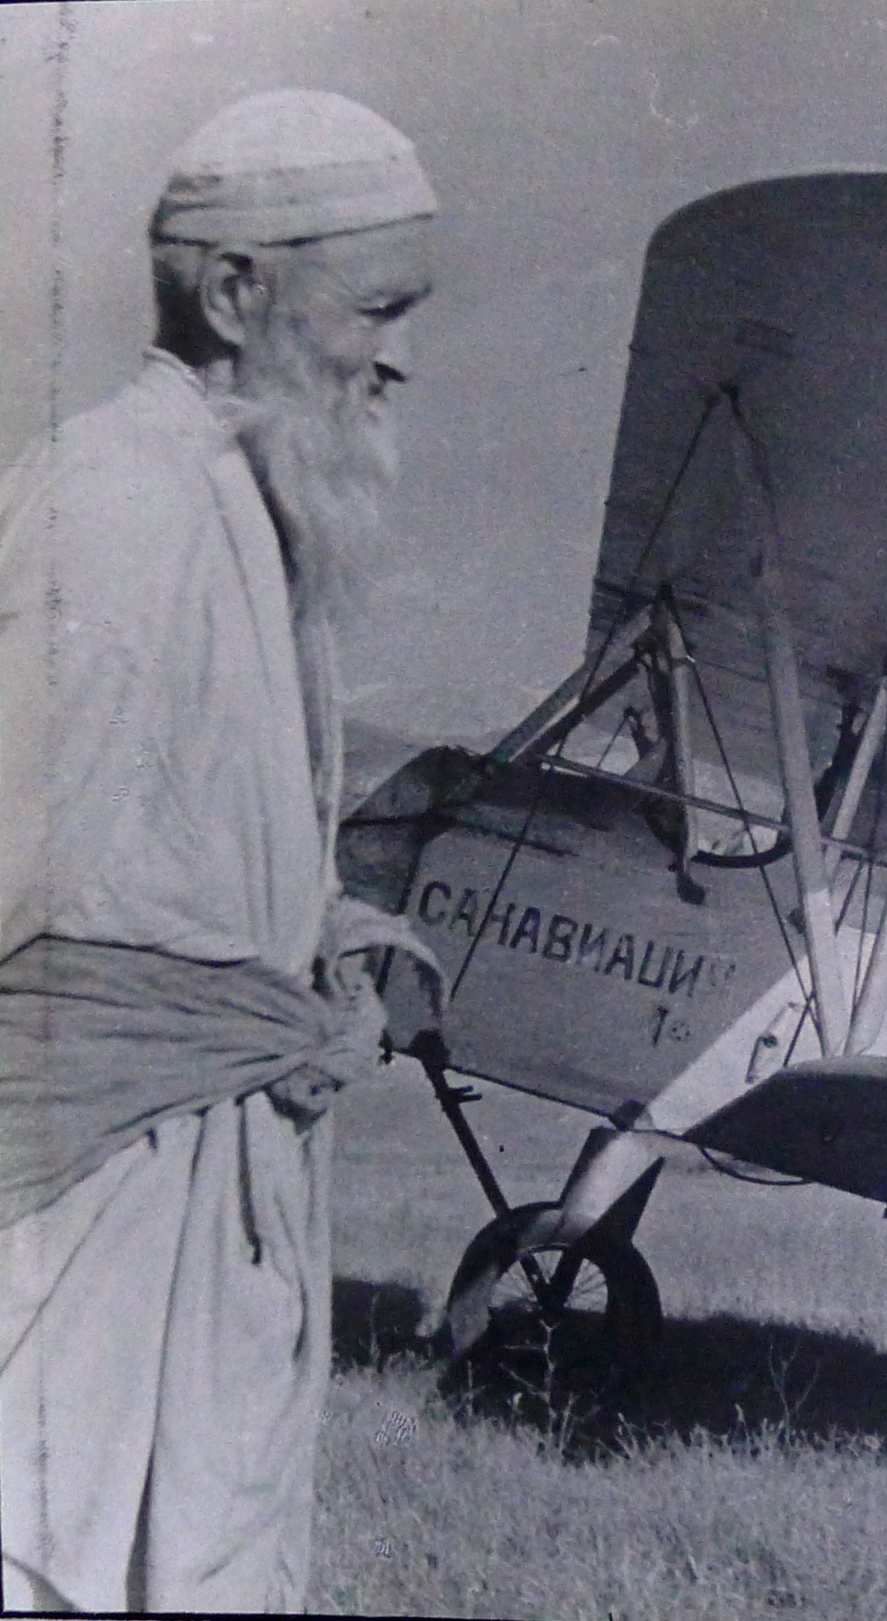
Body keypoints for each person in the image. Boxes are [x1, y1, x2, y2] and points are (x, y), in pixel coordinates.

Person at [0, 91, 445, 1612]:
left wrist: (319, 943)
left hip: (200, 1189)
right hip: (87, 1209)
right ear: (235, 292)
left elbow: (162, 845)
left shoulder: (233, 505)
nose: (398, 359)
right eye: (379, 307)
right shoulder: (119, 502)